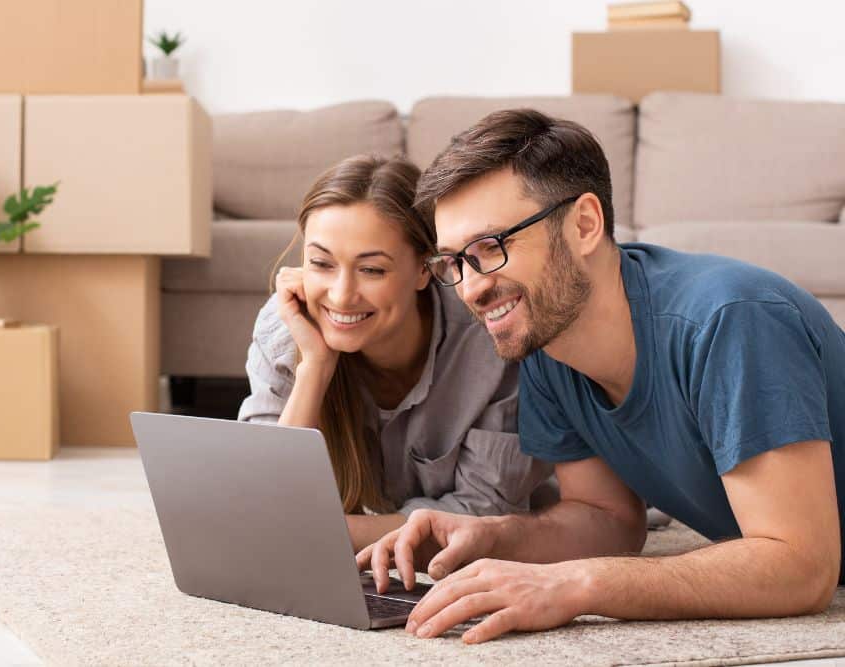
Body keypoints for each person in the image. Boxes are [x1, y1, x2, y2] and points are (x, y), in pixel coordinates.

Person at [357, 109, 844, 643]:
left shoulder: (729, 319)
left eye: (491, 248)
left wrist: (576, 584)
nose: (472, 289)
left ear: (585, 224)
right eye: (456, 262)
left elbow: (801, 566)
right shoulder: (545, 342)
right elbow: (607, 518)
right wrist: (486, 536)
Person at [238, 154, 553, 551]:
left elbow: (484, 512)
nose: (340, 295)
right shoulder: (286, 327)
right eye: (321, 263)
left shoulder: (488, 335)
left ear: (426, 269)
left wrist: (321, 532)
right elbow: (263, 503)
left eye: (372, 270)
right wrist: (315, 368)